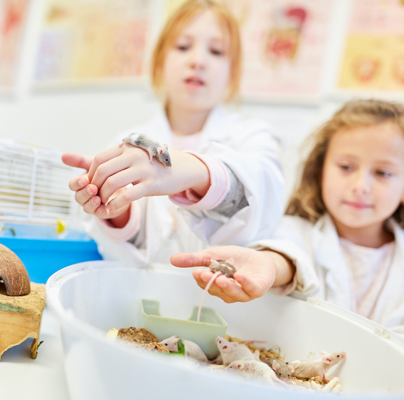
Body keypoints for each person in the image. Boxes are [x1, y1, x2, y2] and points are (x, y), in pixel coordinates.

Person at [171, 99, 404, 357]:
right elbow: (288, 258)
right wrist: (270, 265)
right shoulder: (293, 233)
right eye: (346, 167)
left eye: (383, 173)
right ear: (321, 171)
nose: (361, 186)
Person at [62, 0, 284, 264]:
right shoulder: (129, 143)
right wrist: (113, 211)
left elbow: (264, 193)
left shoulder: (252, 136)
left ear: (232, 73)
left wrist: (196, 172)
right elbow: (124, 244)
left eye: (216, 51)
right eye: (183, 47)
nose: (198, 61)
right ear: (159, 62)